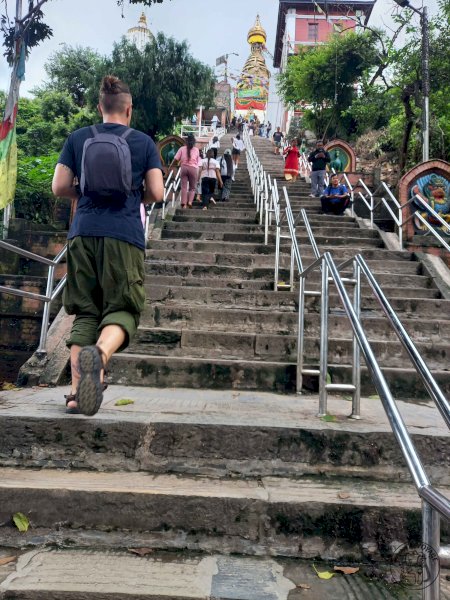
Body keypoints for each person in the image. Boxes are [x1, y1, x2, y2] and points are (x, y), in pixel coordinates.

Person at [52, 75, 164, 416]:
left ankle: (75, 393)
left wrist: (82, 193)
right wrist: (134, 198)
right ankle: (99, 356)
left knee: (85, 312)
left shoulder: (78, 138)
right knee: (123, 308)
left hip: (83, 233)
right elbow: (158, 193)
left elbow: (58, 186)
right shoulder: (144, 143)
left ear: (100, 107)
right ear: (128, 109)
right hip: (124, 236)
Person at [170, 133, 201, 209]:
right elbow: (198, 162)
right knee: (192, 187)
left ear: (186, 141)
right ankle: (190, 201)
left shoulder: (182, 149)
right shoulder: (196, 150)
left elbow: (175, 159)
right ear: (194, 142)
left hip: (183, 168)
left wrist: (170, 166)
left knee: (184, 187)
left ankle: (184, 204)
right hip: (193, 169)